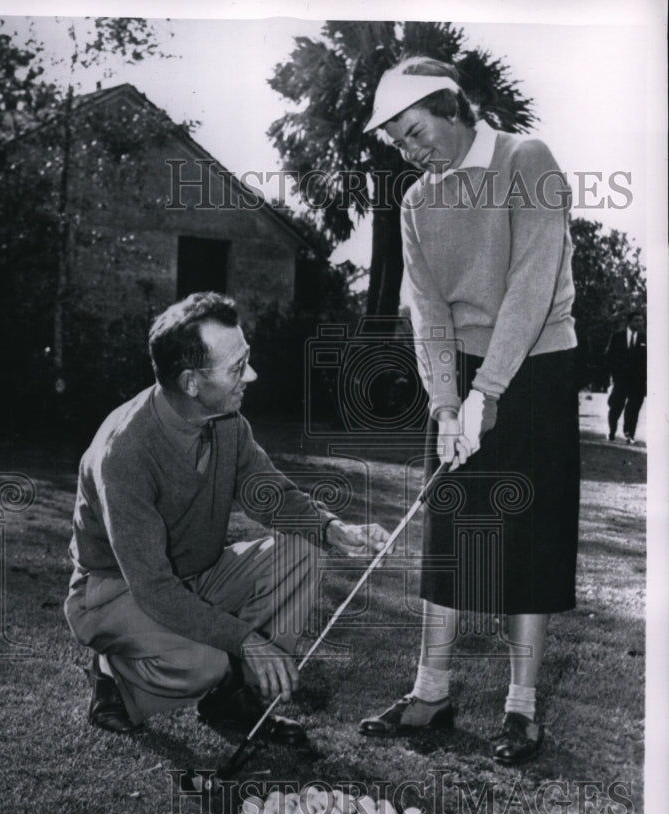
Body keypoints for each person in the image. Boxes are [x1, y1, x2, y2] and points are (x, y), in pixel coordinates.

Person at [357, 57, 580, 764]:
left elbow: (532, 281)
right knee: (449, 536)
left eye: (416, 131)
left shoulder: (527, 158)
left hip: (538, 363)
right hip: (461, 378)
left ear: (452, 108)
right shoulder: (417, 203)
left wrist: (491, 392)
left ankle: (521, 709)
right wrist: (447, 403)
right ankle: (430, 694)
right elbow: (426, 310)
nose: (411, 149)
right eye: (398, 142)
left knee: (529, 537)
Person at [64, 292, 389, 742]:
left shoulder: (227, 421)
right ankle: (115, 683)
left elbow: (269, 492)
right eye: (237, 368)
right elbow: (155, 588)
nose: (251, 375)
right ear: (191, 383)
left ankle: (235, 700)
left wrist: (332, 529)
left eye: (247, 360)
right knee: (205, 662)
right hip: (115, 591)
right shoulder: (124, 454)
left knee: (303, 551)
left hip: (195, 575)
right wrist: (246, 640)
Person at [606, 310, 647, 444]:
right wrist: (613, 376)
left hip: (638, 382)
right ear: (629, 322)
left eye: (641, 320)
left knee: (633, 409)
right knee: (616, 407)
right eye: (637, 320)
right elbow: (610, 358)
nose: (640, 323)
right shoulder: (617, 337)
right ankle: (612, 430)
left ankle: (629, 433)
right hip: (621, 380)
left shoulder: (645, 339)